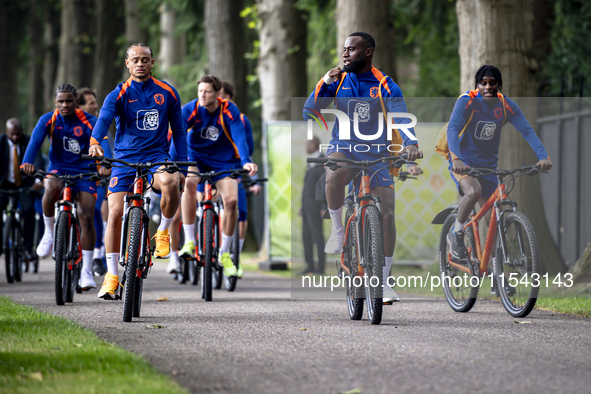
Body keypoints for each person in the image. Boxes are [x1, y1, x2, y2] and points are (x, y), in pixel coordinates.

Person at [303, 32, 420, 303]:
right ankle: (337, 229)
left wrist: (411, 143)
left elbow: (401, 115)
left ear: (367, 53)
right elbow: (309, 112)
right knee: (333, 174)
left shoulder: (385, 83)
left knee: (388, 212)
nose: (345, 54)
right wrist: (324, 81)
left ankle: (384, 280)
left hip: (378, 153)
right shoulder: (338, 80)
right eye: (344, 49)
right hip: (343, 146)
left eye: (351, 49)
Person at [88, 43, 188, 300]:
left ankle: (163, 232)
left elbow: (178, 131)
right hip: (125, 159)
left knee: (170, 182)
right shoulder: (118, 94)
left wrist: (183, 165)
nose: (140, 64)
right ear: (127, 64)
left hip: (157, 157)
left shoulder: (167, 93)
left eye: (145, 59)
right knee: (115, 212)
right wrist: (95, 141)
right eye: (135, 60)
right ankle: (111, 277)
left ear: (152, 62)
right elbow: (104, 120)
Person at [446, 65, 552, 265]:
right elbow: (453, 129)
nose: (488, 87)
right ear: (477, 85)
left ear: (499, 85)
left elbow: (527, 130)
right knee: (473, 191)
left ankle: (498, 277)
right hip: (463, 163)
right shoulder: (467, 101)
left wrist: (543, 156)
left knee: (493, 221)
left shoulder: (505, 105)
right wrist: (457, 159)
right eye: (483, 83)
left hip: (488, 167)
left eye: (492, 83)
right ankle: (456, 234)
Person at [22, 84, 110, 290]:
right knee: (50, 188)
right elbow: (35, 140)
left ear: (76, 102)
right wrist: (27, 161)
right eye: (60, 101)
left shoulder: (89, 120)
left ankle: (87, 271)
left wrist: (105, 163)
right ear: (55, 102)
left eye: (69, 101)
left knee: (87, 214)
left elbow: (103, 140)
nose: (64, 105)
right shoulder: (49, 119)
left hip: (85, 170)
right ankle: (49, 233)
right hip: (59, 168)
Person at [173, 75, 257, 278]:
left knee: (231, 202)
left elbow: (238, 134)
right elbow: (178, 134)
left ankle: (225, 254)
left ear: (217, 94)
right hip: (195, 157)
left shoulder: (228, 108)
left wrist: (246, 160)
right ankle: (190, 241)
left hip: (223, 161)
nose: (202, 95)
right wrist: (172, 161)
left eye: (207, 91)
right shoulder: (190, 109)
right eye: (200, 91)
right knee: (190, 184)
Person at [77, 88, 110, 276]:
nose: (95, 106)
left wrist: (106, 168)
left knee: (95, 210)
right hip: (75, 175)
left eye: (95, 102)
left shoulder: (101, 125)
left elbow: (109, 152)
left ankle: (98, 254)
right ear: (79, 106)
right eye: (90, 103)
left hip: (97, 179)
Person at [0, 118, 43, 262]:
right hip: (3, 185)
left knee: (29, 211)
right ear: (6, 132)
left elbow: (37, 160)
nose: (15, 138)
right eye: (12, 134)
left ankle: (27, 248)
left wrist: (38, 180)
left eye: (18, 134)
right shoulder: (0, 143)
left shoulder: (29, 141)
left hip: (25, 185)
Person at [300, 135, 326, 275]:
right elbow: (308, 186)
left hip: (316, 207)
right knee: (306, 237)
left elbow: (324, 184)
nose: (305, 147)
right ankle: (310, 265)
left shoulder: (322, 161)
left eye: (307, 144)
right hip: (307, 207)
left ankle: (320, 268)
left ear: (314, 144)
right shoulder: (310, 162)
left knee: (318, 237)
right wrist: (302, 206)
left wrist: (323, 206)